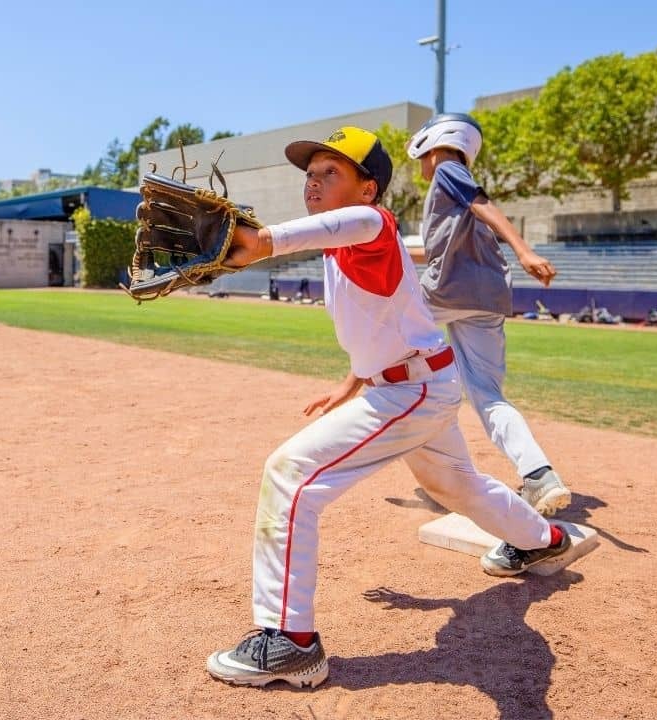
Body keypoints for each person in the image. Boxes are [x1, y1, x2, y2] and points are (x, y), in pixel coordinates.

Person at [205, 127, 572, 690]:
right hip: (416, 382)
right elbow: (383, 324)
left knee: (289, 475)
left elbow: (349, 225)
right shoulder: (341, 246)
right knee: (459, 487)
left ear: (368, 188)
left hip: (412, 391)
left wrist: (265, 240)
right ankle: (544, 542)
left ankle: (290, 643)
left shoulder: (373, 224)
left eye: (331, 172)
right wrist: (351, 383)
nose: (313, 182)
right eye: (310, 174)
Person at [404, 113, 571, 516]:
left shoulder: (447, 170)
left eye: (421, 157)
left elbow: (483, 204)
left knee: (389, 352)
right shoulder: (452, 196)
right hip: (487, 298)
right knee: (488, 396)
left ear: (433, 145)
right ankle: (539, 477)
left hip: (450, 289)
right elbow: (438, 248)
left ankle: (444, 476)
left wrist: (524, 250)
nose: (421, 166)